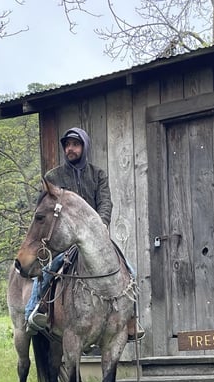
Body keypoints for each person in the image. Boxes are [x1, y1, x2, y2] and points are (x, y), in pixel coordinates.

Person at [25, 127, 144, 341]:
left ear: (84, 147)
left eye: (75, 144)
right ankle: (34, 311)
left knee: (129, 270)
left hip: (96, 238)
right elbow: (46, 208)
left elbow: (105, 202)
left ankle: (131, 320)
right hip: (65, 238)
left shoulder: (97, 175)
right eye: (67, 145)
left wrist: (103, 223)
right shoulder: (54, 177)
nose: (70, 149)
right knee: (48, 268)